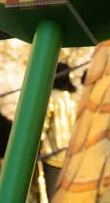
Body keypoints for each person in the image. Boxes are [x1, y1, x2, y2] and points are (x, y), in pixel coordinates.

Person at [38, 63, 79, 200]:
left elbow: (42, 128)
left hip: (53, 156)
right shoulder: (77, 97)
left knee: (55, 197)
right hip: (74, 154)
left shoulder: (50, 97)